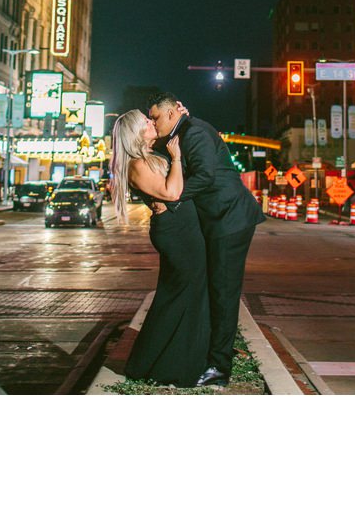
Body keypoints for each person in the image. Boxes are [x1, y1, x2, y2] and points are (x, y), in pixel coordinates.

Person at [146, 92, 264, 388]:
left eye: (155, 117)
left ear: (172, 113)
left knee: (223, 293)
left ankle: (219, 369)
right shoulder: (181, 132)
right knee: (215, 290)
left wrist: (170, 199)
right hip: (218, 221)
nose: (152, 122)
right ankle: (212, 354)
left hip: (229, 220)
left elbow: (205, 177)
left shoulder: (194, 132)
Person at [109, 109, 212, 387]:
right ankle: (165, 366)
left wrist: (181, 117)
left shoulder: (149, 157)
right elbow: (171, 193)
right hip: (175, 231)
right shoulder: (136, 165)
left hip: (182, 229)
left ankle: (165, 362)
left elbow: (175, 143)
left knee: (181, 295)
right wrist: (176, 158)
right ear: (136, 132)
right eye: (146, 122)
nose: (152, 123)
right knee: (180, 297)